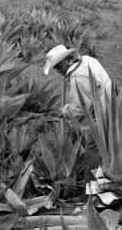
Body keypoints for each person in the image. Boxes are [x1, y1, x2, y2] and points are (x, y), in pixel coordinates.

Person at [44, 45, 112, 189]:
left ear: (68, 59)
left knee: (93, 156)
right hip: (111, 106)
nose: (58, 71)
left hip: (100, 118)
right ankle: (105, 182)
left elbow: (81, 109)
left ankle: (91, 193)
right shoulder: (88, 60)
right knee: (106, 151)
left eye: (59, 67)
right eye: (55, 68)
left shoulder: (77, 76)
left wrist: (65, 111)